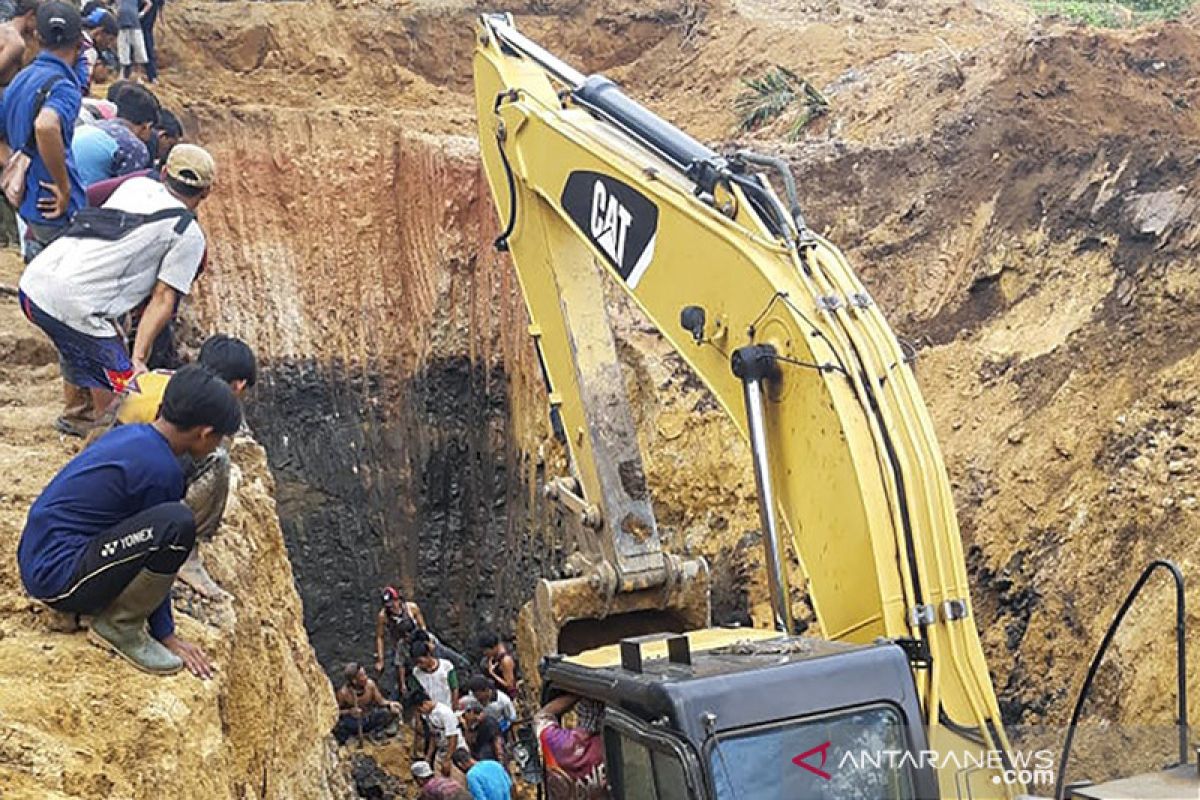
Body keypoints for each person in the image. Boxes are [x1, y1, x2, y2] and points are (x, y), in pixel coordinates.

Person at [16, 365, 239, 677]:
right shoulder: (160, 470)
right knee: (177, 523)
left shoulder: (134, 434)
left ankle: (94, 609)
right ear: (204, 432)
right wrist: (166, 634)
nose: (216, 447)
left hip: (41, 557)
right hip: (58, 576)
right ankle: (119, 627)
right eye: (218, 438)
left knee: (167, 522)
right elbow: (163, 545)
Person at [18, 143, 215, 428]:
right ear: (206, 191)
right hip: (73, 303)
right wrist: (138, 358)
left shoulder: (134, 186)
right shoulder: (187, 233)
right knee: (125, 391)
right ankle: (106, 434)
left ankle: (79, 416)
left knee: (87, 344)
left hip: (33, 285)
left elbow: (95, 204)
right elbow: (163, 298)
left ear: (163, 173)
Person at [96, 334, 257, 597]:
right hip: (136, 477)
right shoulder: (203, 405)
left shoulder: (168, 379)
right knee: (218, 462)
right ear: (238, 386)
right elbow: (199, 447)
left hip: (110, 456)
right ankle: (187, 555)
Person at [0, 1, 86, 262]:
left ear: (38, 35)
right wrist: (63, 186)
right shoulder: (63, 86)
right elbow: (46, 125)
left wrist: (12, 168)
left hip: (28, 204)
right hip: (55, 208)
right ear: (80, 44)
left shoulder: (20, 79)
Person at [72, 81, 156, 186]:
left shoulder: (96, 124)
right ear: (147, 126)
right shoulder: (135, 147)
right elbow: (126, 190)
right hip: (82, 196)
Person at [536, 694, 608, 799]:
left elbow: (541, 716)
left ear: (579, 713)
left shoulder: (556, 740)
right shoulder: (610, 750)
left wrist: (576, 694)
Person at [375, 585, 427, 693]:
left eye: (394, 602)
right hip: (401, 645)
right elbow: (380, 637)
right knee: (397, 668)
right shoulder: (383, 616)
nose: (392, 606)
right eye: (389, 605)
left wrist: (425, 639)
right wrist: (381, 659)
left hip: (418, 639)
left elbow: (423, 626)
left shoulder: (411, 608)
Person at [333, 662, 401, 745]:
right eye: (362, 676)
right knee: (341, 726)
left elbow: (381, 701)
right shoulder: (343, 693)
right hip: (354, 722)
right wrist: (349, 711)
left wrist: (390, 704)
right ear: (354, 681)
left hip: (368, 718)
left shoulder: (370, 685)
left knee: (387, 713)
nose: (366, 677)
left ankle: (375, 733)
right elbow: (335, 712)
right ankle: (350, 739)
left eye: (365, 674)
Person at [407, 689, 467, 777]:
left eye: (419, 709)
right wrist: (428, 757)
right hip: (441, 750)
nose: (420, 712)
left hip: (456, 751)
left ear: (425, 703)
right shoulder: (427, 715)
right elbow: (434, 735)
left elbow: (453, 737)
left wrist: (448, 759)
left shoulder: (444, 713)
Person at [409, 638, 459, 710]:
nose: (419, 665)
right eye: (416, 663)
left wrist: (454, 705)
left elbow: (454, 688)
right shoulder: (416, 673)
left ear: (428, 655)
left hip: (448, 707)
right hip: (429, 711)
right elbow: (417, 695)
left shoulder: (446, 666)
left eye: (421, 662)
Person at [77, 8, 118, 95]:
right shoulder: (89, 51)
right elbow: (83, 86)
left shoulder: (74, 40)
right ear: (99, 32)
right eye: (110, 39)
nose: (109, 45)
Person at [0, 0, 40, 86]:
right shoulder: (16, 43)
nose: (37, 27)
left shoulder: (2, 28)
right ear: (31, 16)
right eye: (38, 20)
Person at [460, 696, 504, 763]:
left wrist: (500, 757)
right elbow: (470, 742)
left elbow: (497, 741)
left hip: (487, 755)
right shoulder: (470, 724)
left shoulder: (489, 722)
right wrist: (466, 727)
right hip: (477, 753)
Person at [478, 632, 518, 697]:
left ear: (494, 647)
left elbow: (510, 685)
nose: (484, 653)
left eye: (486, 651)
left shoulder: (505, 660)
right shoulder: (494, 656)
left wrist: (492, 673)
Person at [114, 0, 147, 80]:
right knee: (123, 49)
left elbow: (148, 3)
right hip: (122, 25)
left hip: (135, 24)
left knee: (139, 49)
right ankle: (122, 74)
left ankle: (139, 76)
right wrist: (116, 11)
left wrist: (141, 13)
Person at [137, 0, 159, 82]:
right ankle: (151, 75)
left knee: (147, 45)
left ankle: (152, 75)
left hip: (145, 23)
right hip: (138, 21)